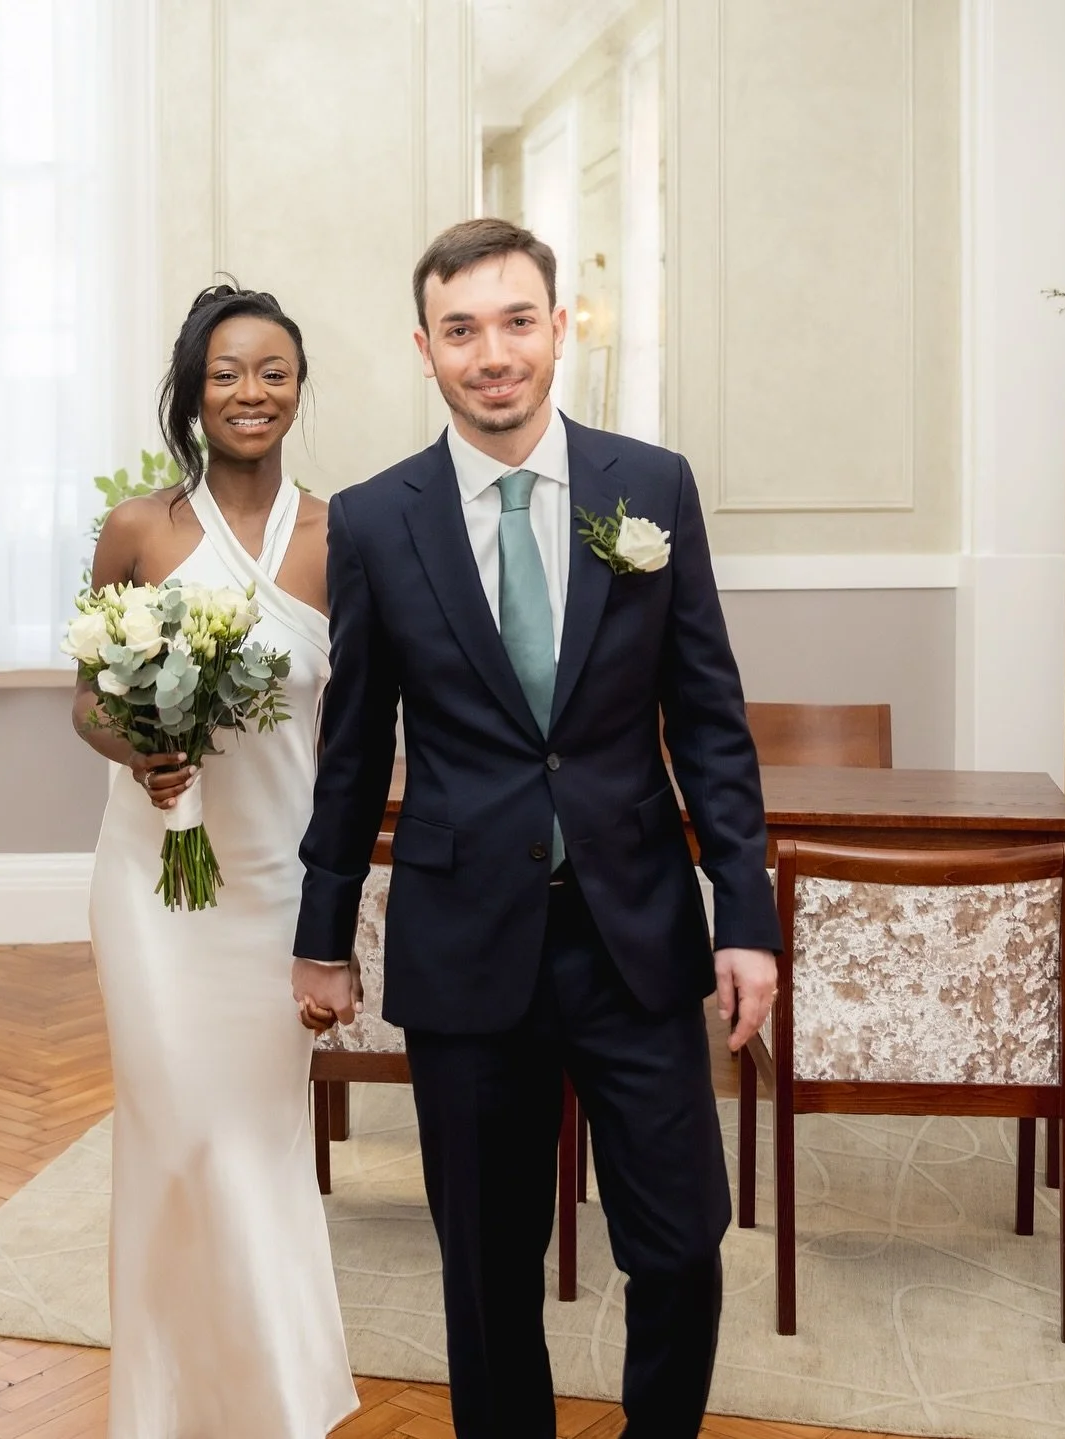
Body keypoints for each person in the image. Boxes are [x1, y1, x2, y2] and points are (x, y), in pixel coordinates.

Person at [291, 219, 780, 1438]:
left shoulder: (651, 487)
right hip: (467, 944)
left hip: (637, 936)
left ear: (560, 330)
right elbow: (353, 751)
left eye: (517, 322)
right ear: (426, 349)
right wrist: (322, 931)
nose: (492, 352)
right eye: (462, 330)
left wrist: (747, 918)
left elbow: (709, 720)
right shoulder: (371, 518)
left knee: (680, 1240)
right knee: (487, 1268)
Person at [76, 283, 358, 1437]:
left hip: (276, 886)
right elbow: (89, 700)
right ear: (194, 393)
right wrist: (143, 742)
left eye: (273, 371)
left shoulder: (346, 536)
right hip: (153, 886)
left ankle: (277, 1399)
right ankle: (163, 1407)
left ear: (299, 387)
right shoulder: (142, 528)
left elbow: (362, 724)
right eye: (228, 372)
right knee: (175, 1132)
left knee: (255, 1139)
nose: (252, 391)